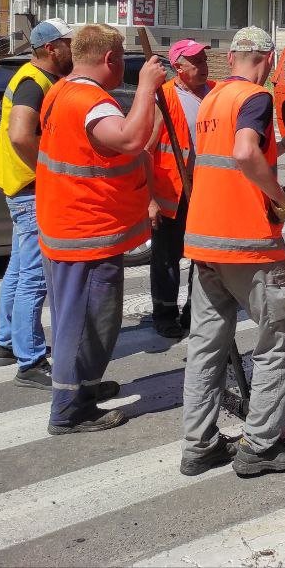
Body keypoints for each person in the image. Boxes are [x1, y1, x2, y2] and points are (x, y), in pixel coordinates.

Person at [179, 26, 285, 478]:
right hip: (249, 244)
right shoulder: (256, 98)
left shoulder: (213, 99)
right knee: (278, 341)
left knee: (207, 346)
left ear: (232, 58)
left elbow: (242, 148)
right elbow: (245, 153)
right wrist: (278, 196)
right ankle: (260, 446)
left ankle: (199, 445)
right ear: (268, 59)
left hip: (206, 241)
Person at [36, 23, 167, 434]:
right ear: (111, 59)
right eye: (122, 59)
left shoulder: (61, 91)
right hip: (87, 234)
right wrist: (146, 87)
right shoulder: (93, 103)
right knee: (87, 324)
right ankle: (69, 411)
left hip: (66, 226)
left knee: (79, 320)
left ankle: (84, 388)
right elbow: (128, 140)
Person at [0, 18, 73, 388]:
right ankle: (30, 360)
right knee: (34, 279)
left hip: (20, 186)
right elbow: (21, 134)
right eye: (69, 43)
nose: (73, 48)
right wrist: (50, 167)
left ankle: (7, 343)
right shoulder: (33, 82)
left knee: (20, 270)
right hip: (31, 189)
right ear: (52, 48)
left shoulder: (35, 77)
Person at [147, 39, 215, 339]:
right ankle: (164, 314)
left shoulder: (215, 92)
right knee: (167, 258)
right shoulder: (163, 97)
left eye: (203, 60)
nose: (203, 66)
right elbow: (146, 150)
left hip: (206, 190)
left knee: (203, 256)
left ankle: (193, 311)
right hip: (171, 194)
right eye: (195, 62)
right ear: (178, 67)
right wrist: (149, 199)